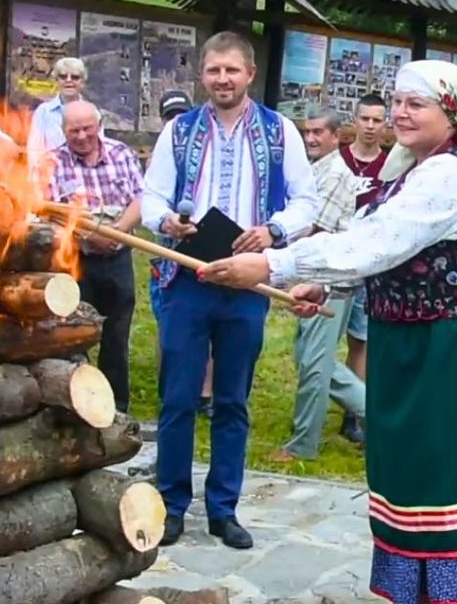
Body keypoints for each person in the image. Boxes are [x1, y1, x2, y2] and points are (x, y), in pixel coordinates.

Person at [199, 59, 457, 603]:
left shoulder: (450, 174)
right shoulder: (413, 167)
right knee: (414, 481)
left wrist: (273, 266)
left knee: (446, 484)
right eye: (398, 102)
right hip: (417, 348)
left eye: (417, 103)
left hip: (453, 353)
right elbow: (384, 250)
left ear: (453, 112)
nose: (401, 114)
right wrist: (330, 287)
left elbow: (375, 243)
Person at [142, 31, 318, 550]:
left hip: (247, 280)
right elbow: (151, 195)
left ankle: (224, 509)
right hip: (188, 276)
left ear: (250, 73)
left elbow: (305, 201)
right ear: (202, 75)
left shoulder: (279, 130)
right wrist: (167, 221)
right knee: (177, 398)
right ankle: (172, 505)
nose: (223, 79)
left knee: (233, 400)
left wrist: (273, 232)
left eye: (231, 71)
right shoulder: (179, 130)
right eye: (214, 70)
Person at [269, 108, 366, 463]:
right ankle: (381, 419)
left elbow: (313, 229)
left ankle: (302, 445)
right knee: (310, 358)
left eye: (318, 133)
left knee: (314, 362)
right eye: (307, 132)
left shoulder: (336, 174)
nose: (310, 138)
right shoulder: (315, 171)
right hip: (314, 276)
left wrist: (271, 260)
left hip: (329, 278)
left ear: (336, 136)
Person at [46, 101, 143, 413]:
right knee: (73, 334)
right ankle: (76, 403)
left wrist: (116, 232)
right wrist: (88, 235)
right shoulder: (52, 162)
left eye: (88, 128)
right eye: (74, 130)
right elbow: (46, 215)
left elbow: (141, 198)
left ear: (99, 125)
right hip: (76, 260)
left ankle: (116, 407)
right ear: (64, 131)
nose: (82, 135)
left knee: (116, 335)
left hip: (118, 258)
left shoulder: (121, 153)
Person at [148, 89, 213, 418]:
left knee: (212, 331)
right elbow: (150, 201)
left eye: (180, 114)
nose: (175, 122)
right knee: (169, 327)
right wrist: (166, 220)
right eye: (169, 116)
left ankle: (205, 393)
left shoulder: (207, 145)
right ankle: (169, 386)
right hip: (169, 259)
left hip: (210, 252)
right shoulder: (164, 149)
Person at [340, 93, 388, 383]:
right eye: (365, 118)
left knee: (361, 338)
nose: (370, 126)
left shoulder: (392, 166)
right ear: (354, 120)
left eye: (377, 120)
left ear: (385, 125)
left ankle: (354, 410)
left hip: (369, 260)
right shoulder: (338, 159)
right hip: (334, 255)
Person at [26, 58, 104, 170]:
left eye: (75, 77)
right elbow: (35, 149)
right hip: (51, 176)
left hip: (85, 175)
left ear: (82, 82)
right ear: (56, 81)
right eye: (63, 76)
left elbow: (100, 149)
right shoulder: (43, 112)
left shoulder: (92, 112)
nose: (69, 80)